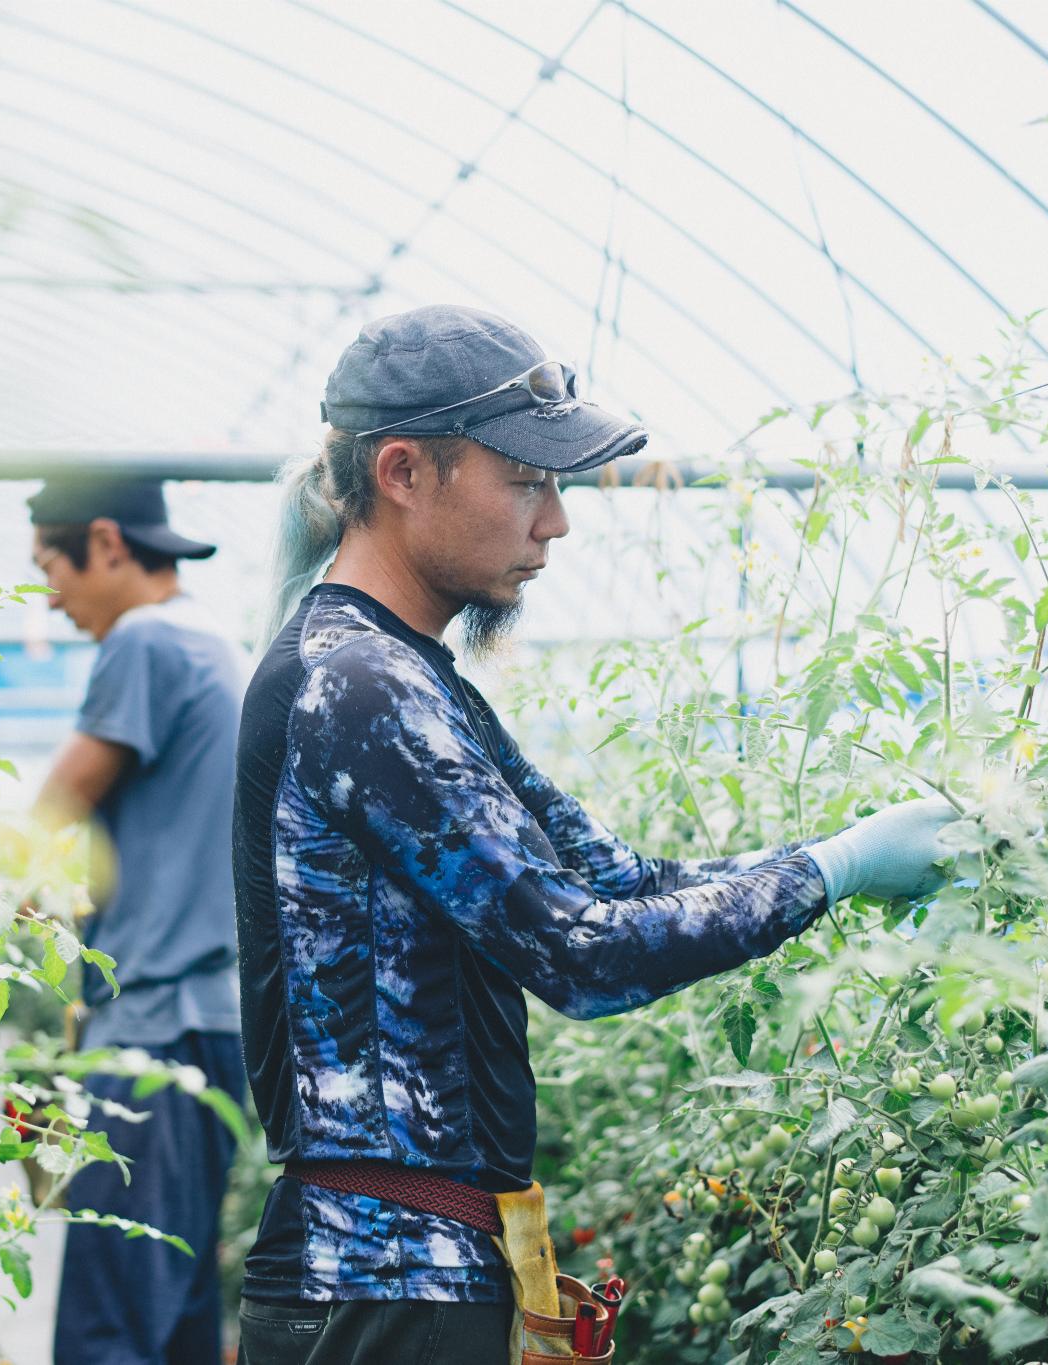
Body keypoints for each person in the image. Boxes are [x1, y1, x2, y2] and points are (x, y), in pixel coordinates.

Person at [231, 305, 956, 1362]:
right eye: (527, 480)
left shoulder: (415, 680)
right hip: (378, 1285)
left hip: (414, 1274)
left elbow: (618, 882)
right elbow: (584, 954)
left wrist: (856, 852)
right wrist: (833, 872)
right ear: (402, 472)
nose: (555, 521)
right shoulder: (357, 688)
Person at [27, 477, 249, 1365]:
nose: (49, 594)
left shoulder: (148, 638)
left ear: (107, 542)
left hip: (152, 1034)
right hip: (206, 1028)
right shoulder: (208, 641)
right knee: (176, 1312)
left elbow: (55, 806)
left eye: (51, 563)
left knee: (109, 1328)